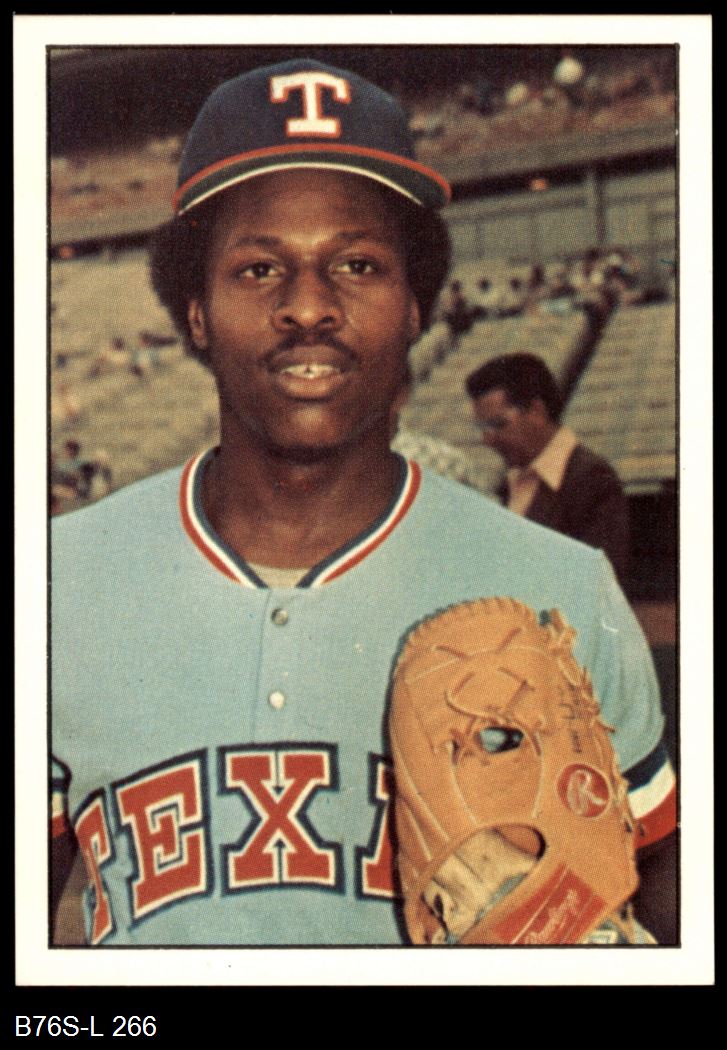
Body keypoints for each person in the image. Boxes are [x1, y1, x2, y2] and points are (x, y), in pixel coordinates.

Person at [51, 58, 676, 948]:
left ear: (414, 305)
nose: (309, 306)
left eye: (356, 263)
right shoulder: (54, 582)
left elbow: (664, 891)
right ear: (195, 312)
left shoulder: (561, 589)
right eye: (258, 268)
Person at [465, 353, 632, 587]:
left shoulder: (593, 480)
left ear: (536, 411)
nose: (488, 439)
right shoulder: (511, 482)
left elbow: (599, 585)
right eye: (483, 428)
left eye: (498, 424)